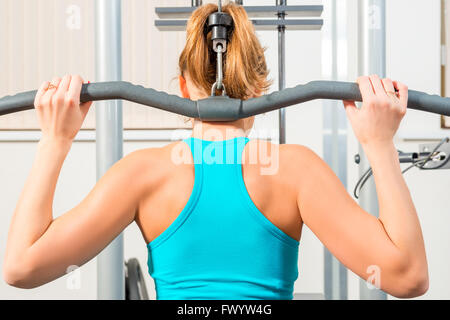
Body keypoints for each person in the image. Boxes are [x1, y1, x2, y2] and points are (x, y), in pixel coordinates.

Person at [2, 2, 428, 299]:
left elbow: (20, 268)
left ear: (183, 86)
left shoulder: (142, 174)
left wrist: (55, 139)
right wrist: (379, 142)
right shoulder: (295, 171)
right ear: (262, 87)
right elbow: (408, 278)